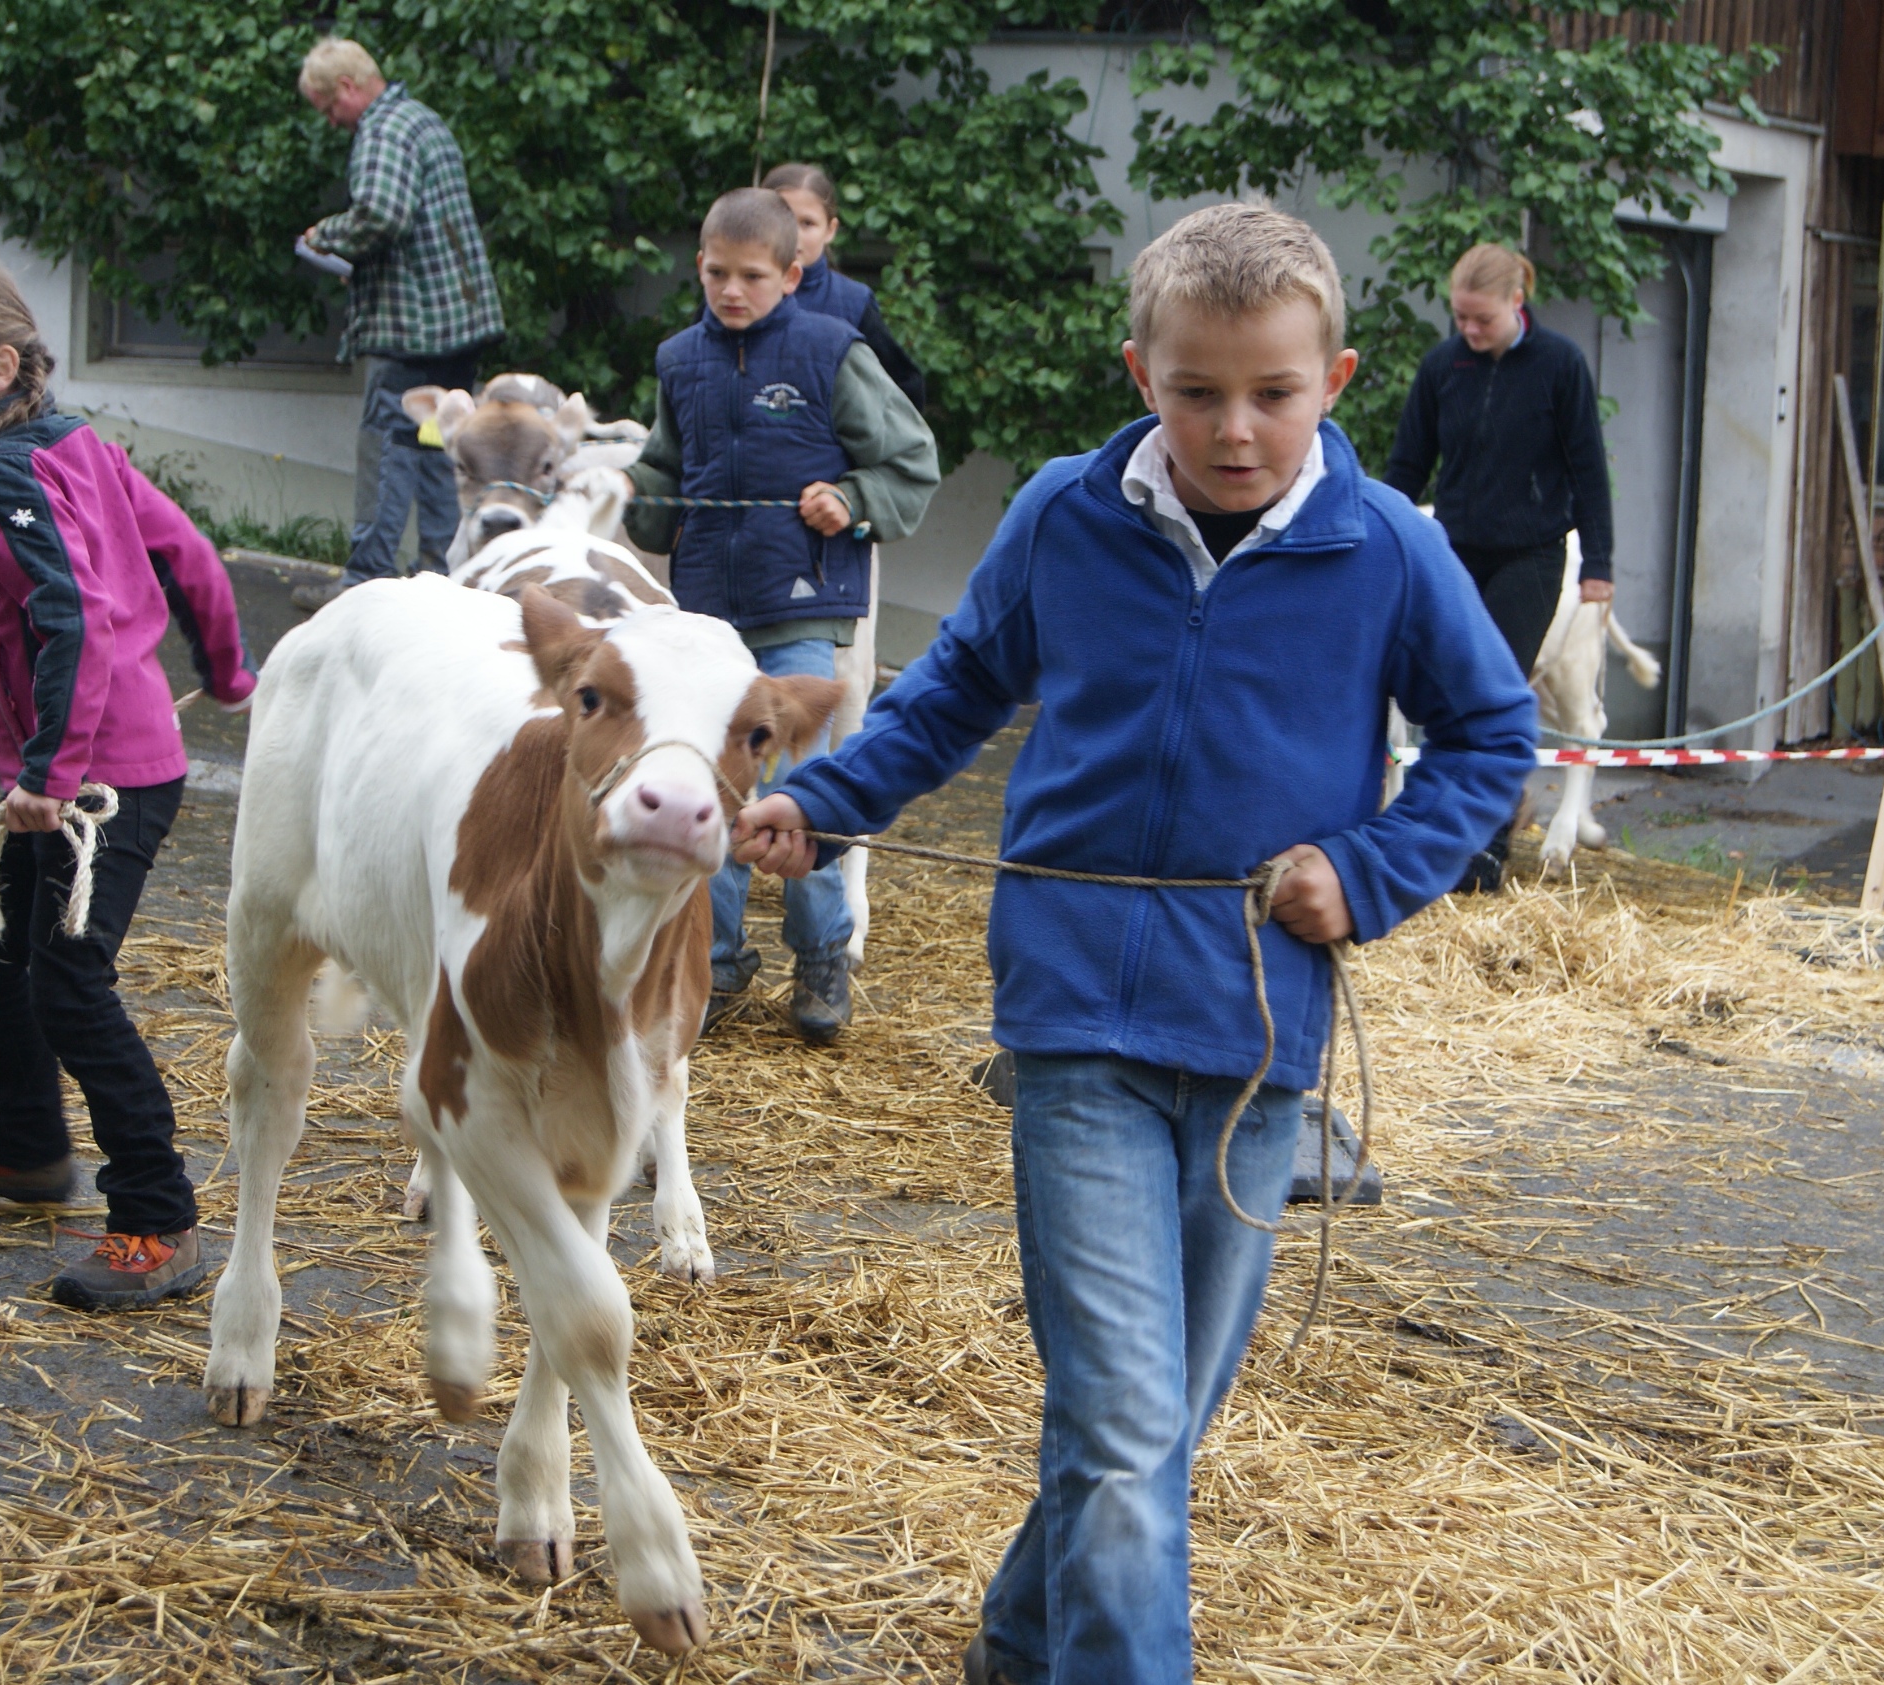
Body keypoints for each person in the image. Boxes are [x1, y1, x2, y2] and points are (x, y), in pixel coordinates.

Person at [730, 204, 1536, 1684]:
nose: (1235, 430)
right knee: (1119, 1423)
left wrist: (1368, 871)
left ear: (1337, 379)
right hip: (1075, 1020)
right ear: (1139, 373)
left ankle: (1015, 1645)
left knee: (1155, 1427)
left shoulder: (1389, 547)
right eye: (1196, 391)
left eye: (1274, 393)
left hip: (1253, 1041)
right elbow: (955, 685)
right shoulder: (1066, 511)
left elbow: (1493, 735)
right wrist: (825, 805)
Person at [0, 255, 258, 1312]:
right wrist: (226, 671)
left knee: (69, 986)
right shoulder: (66, 442)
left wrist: (48, 772)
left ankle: (158, 1216)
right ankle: (26, 1147)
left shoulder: (9, 470)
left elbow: (73, 619)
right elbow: (188, 551)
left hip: (96, 780)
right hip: (82, 764)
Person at [621, 186, 940, 1045]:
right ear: (699, 267)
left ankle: (822, 955)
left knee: (803, 787)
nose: (733, 291)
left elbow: (909, 460)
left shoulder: (830, 350)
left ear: (792, 275)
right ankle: (715, 961)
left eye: (753, 276)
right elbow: (661, 474)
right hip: (708, 618)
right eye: (717, 274)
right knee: (715, 786)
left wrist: (853, 499)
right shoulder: (678, 361)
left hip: (802, 605)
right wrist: (627, 493)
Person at [1383, 240, 1614, 891]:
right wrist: (1379, 538)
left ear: (1517, 301)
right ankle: (1443, 833)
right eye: (1459, 317)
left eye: (1481, 318)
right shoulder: (1442, 367)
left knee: (1493, 691)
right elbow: (1407, 465)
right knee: (1444, 692)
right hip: (1455, 548)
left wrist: (1598, 563)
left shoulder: (1559, 366)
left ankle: (1484, 850)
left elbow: (1588, 469)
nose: (1469, 329)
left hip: (1531, 554)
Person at [292, 37, 504, 612]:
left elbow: (382, 215)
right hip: (456, 324)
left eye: (328, 108)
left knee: (386, 440)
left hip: (413, 328)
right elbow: (420, 229)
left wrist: (325, 237)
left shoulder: (382, 129)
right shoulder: (423, 120)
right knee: (435, 439)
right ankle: (439, 573)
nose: (331, 122)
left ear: (347, 87)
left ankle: (364, 581)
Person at [761, 162, 928, 412]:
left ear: (830, 230)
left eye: (807, 223)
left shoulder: (852, 302)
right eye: (781, 220)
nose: (793, 235)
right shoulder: (732, 294)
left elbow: (903, 391)